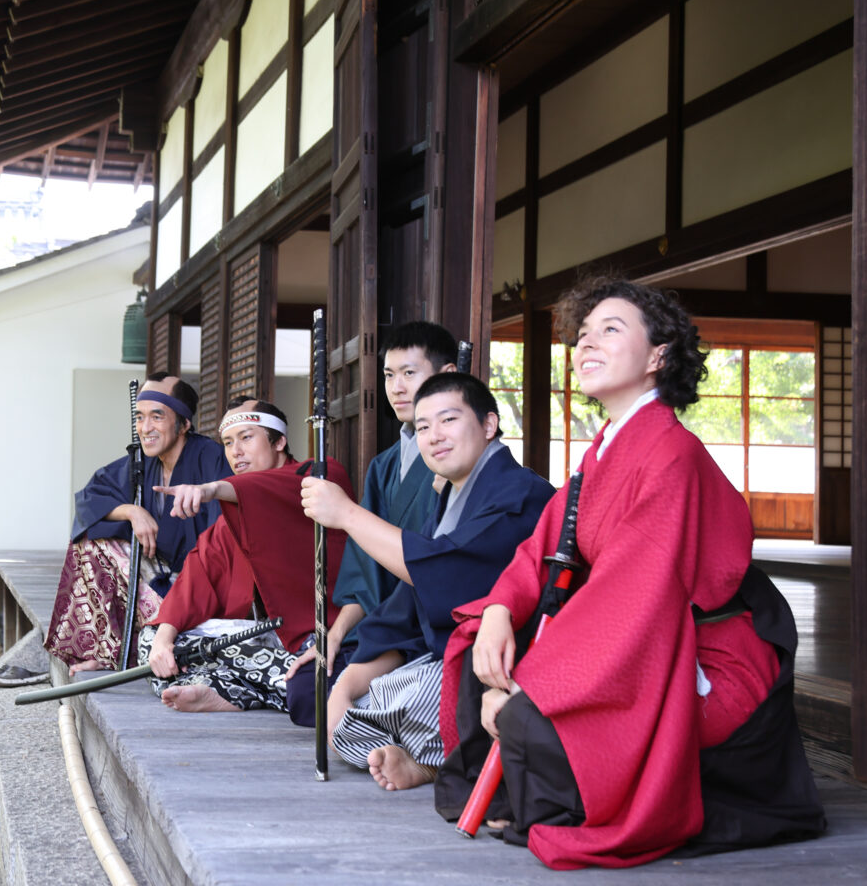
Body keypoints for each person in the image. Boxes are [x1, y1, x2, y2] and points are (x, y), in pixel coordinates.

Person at [434, 278, 825, 869]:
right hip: (636, 634)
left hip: (701, 654)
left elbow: (632, 596)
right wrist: (496, 613)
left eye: (609, 330)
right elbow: (538, 551)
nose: (586, 344)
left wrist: (529, 682)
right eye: (582, 334)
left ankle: (533, 796)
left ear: (657, 356)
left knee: (533, 703)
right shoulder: (601, 453)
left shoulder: (672, 452)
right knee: (475, 649)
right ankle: (524, 790)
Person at [300, 373, 553, 790]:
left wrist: (346, 515)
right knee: (338, 707)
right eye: (421, 427)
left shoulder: (518, 495)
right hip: (441, 665)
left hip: (503, 666)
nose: (434, 436)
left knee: (412, 695)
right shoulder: (451, 498)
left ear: (489, 425)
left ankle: (433, 761)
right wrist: (344, 687)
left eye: (449, 420)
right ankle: (426, 755)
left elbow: (442, 573)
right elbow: (405, 610)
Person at [285, 323, 459, 721]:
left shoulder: (460, 464)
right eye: (389, 375)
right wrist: (334, 635)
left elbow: (445, 566)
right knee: (304, 687)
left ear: (447, 376)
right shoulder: (384, 466)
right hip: (382, 626)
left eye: (410, 373)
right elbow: (364, 571)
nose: (396, 387)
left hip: (428, 628)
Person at [138, 398, 353, 714]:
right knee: (151, 641)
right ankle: (232, 688)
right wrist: (163, 641)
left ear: (279, 441)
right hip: (256, 641)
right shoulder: (231, 516)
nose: (235, 451)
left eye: (246, 437)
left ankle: (231, 689)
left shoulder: (318, 476)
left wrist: (211, 489)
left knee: (311, 684)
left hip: (314, 638)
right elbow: (196, 576)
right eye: (227, 442)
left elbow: (273, 488)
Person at [44, 374, 229, 675]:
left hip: (200, 593)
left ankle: (143, 648)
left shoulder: (210, 458)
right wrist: (132, 511)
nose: (145, 428)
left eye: (157, 417)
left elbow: (223, 543)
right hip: (158, 586)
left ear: (184, 424)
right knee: (92, 542)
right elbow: (90, 498)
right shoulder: (142, 462)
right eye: (140, 417)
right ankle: (107, 651)